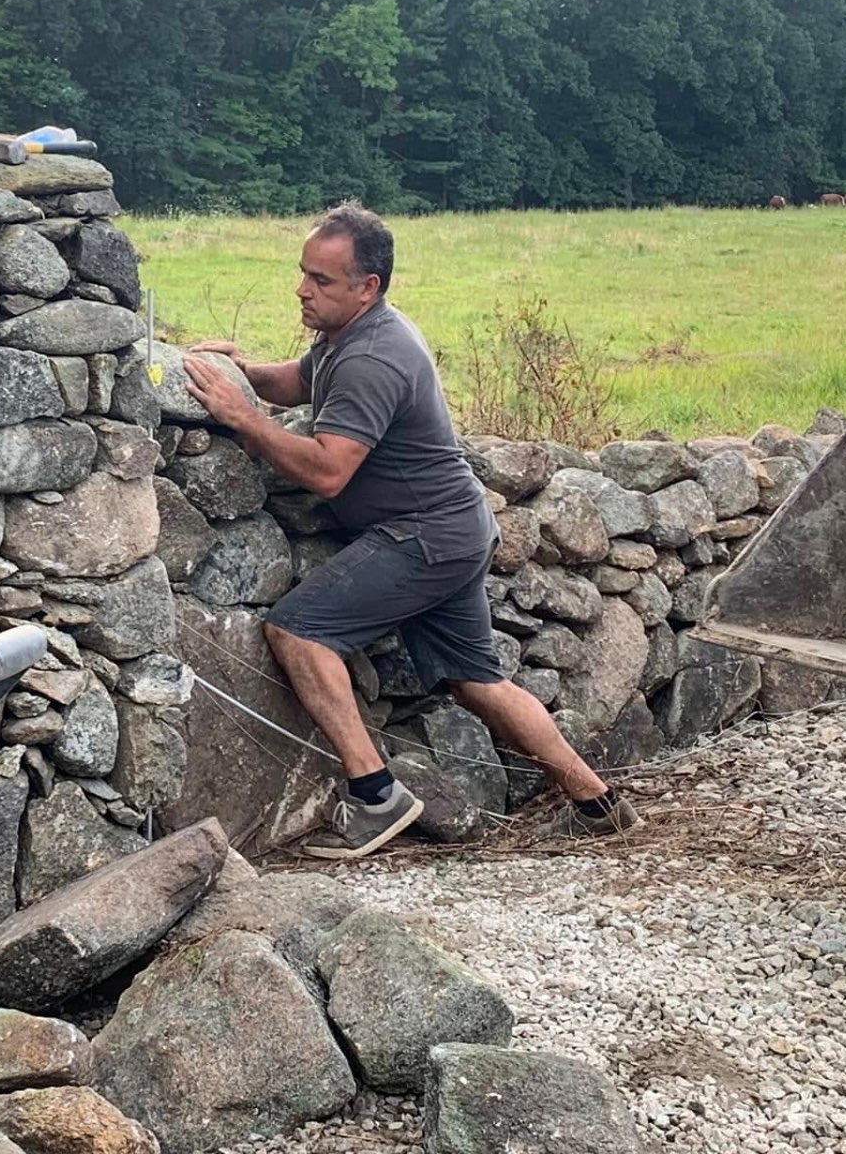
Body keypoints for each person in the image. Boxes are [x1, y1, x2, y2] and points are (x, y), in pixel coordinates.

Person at [181, 204, 640, 859]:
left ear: (366, 287)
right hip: (452, 528)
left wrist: (243, 420)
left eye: (322, 280)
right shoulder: (354, 333)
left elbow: (330, 470)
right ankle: (598, 802)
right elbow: (299, 382)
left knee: (299, 631)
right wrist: (245, 374)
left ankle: (376, 796)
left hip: (423, 535)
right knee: (475, 680)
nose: (302, 290)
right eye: (303, 273)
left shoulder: (375, 357)